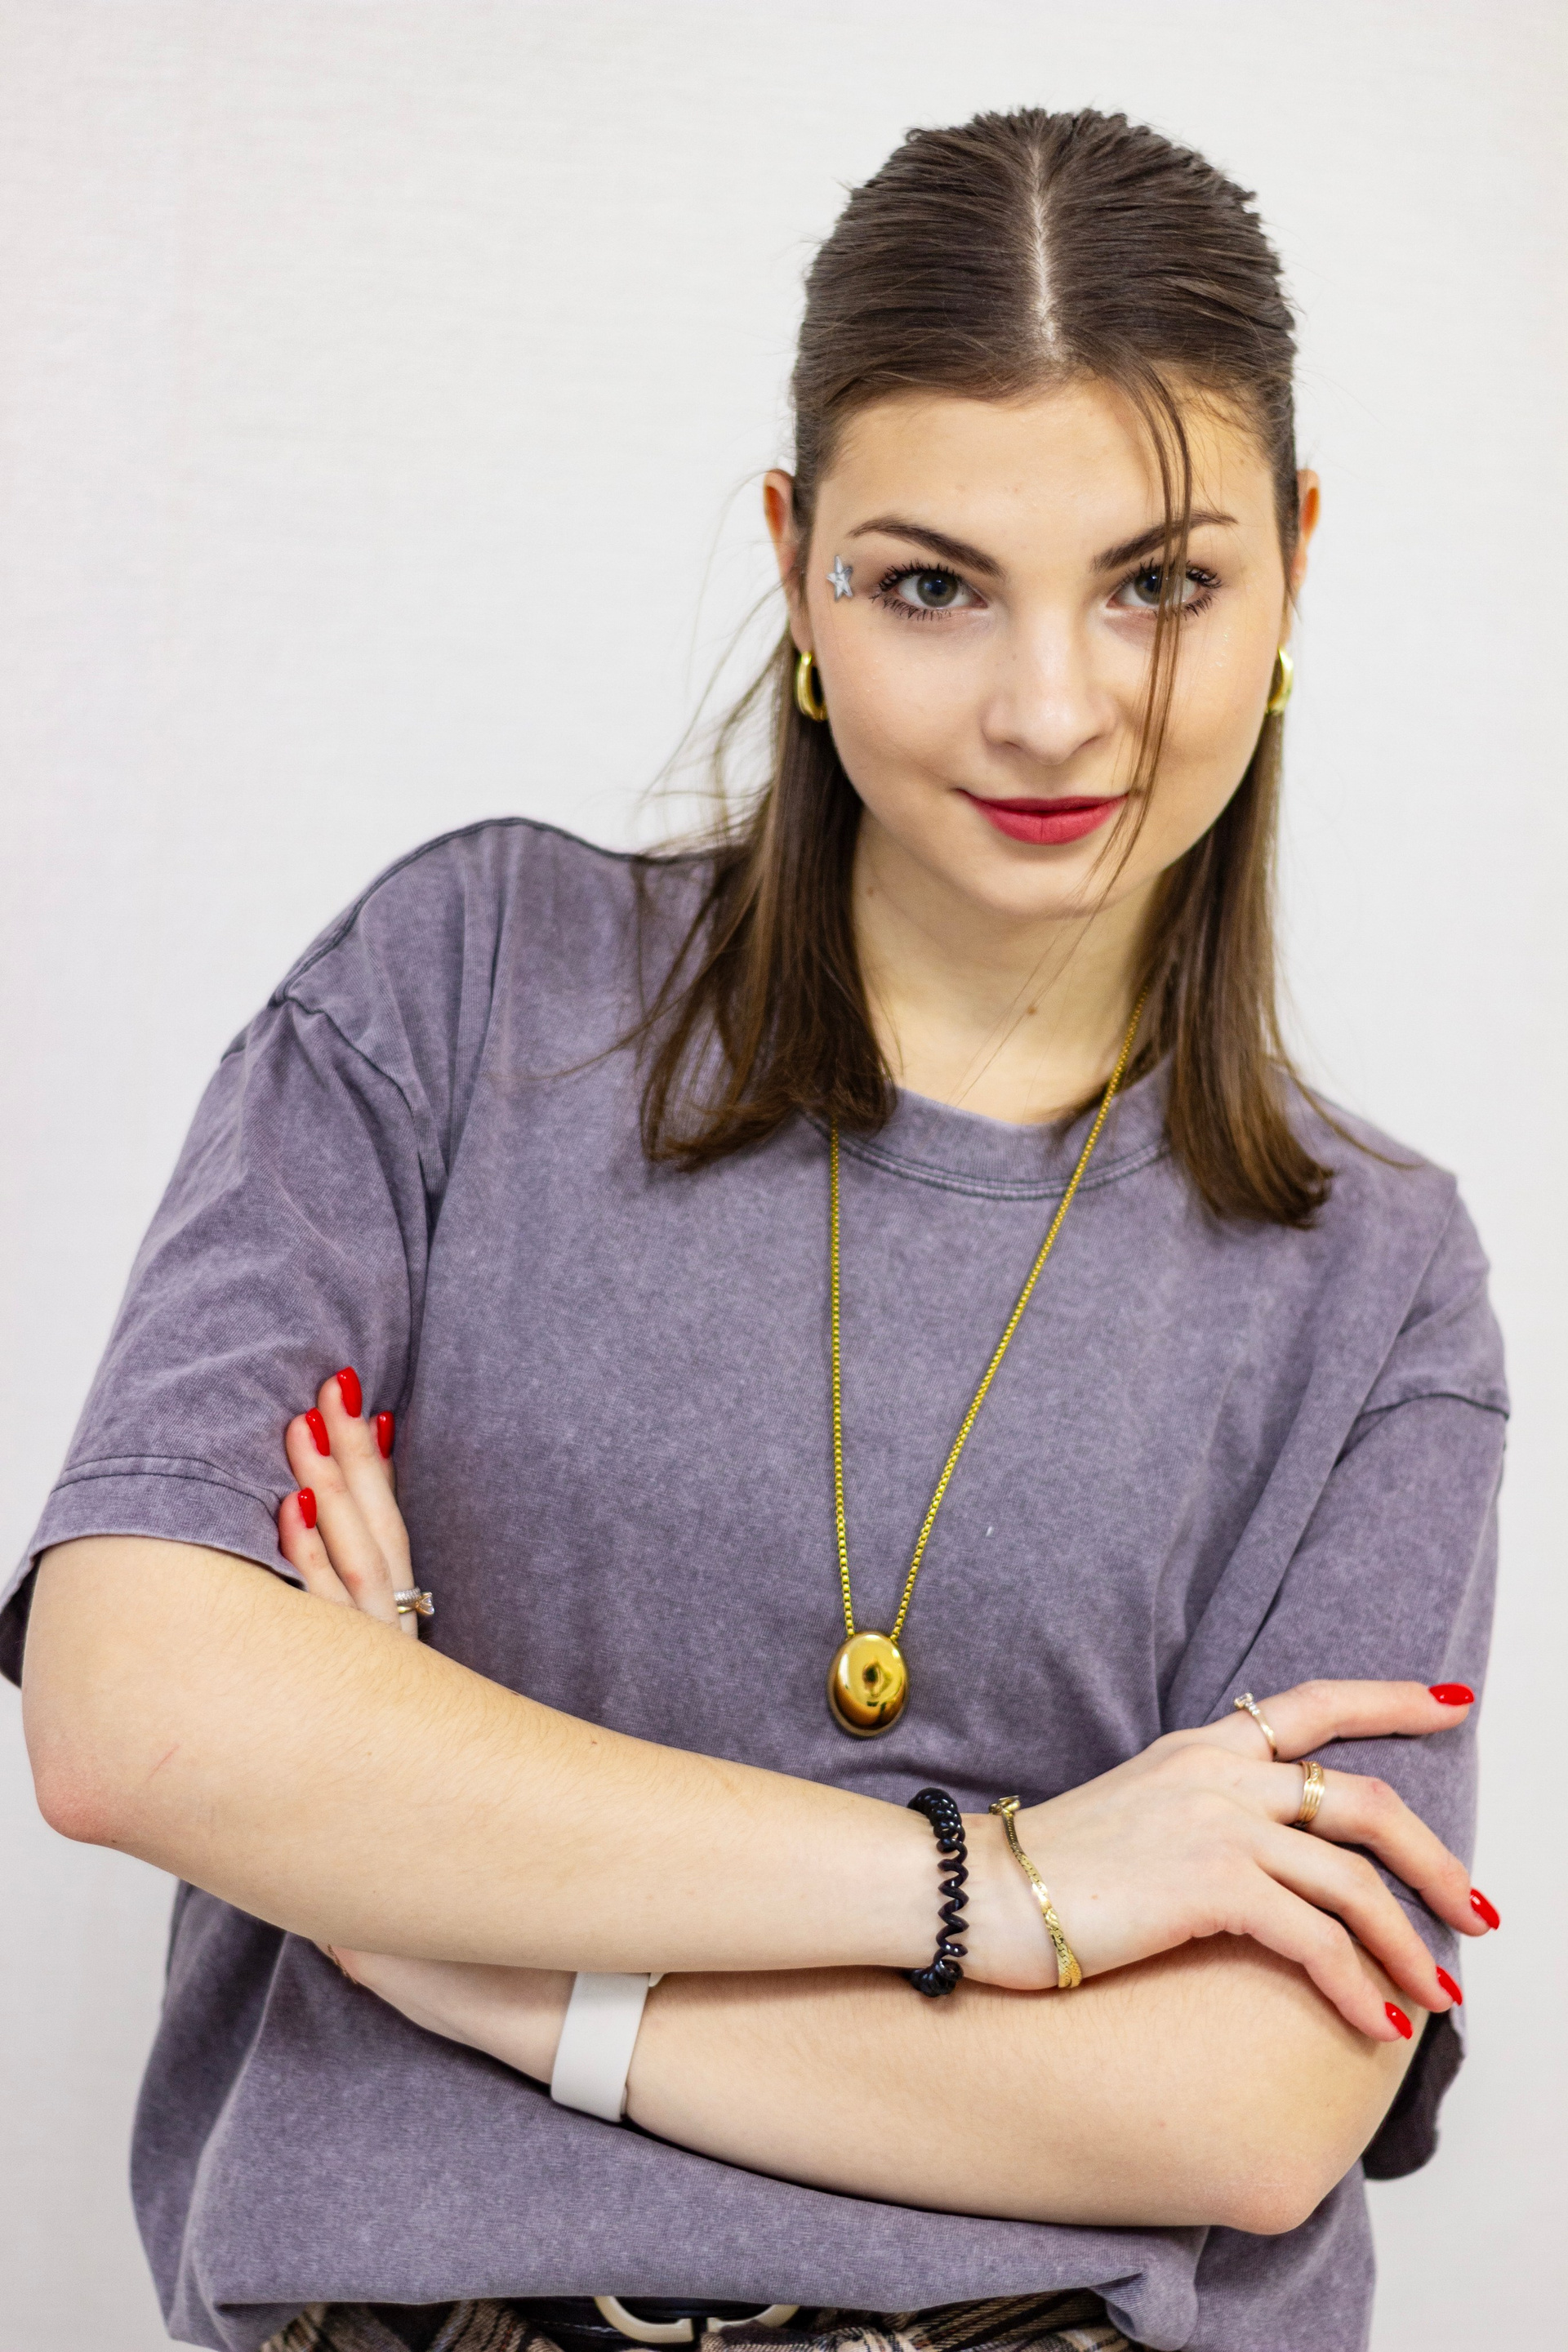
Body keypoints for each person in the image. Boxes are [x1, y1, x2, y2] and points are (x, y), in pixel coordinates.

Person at [9, 106, 1504, 2352]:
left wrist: (467, 1943)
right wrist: (1005, 1885)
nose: (1052, 707)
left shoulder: (1377, 1278)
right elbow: (132, 1710)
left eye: (1159, 583)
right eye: (933, 585)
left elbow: (1253, 2102)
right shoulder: (466, 992)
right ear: (801, 563)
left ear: (1294, 558)